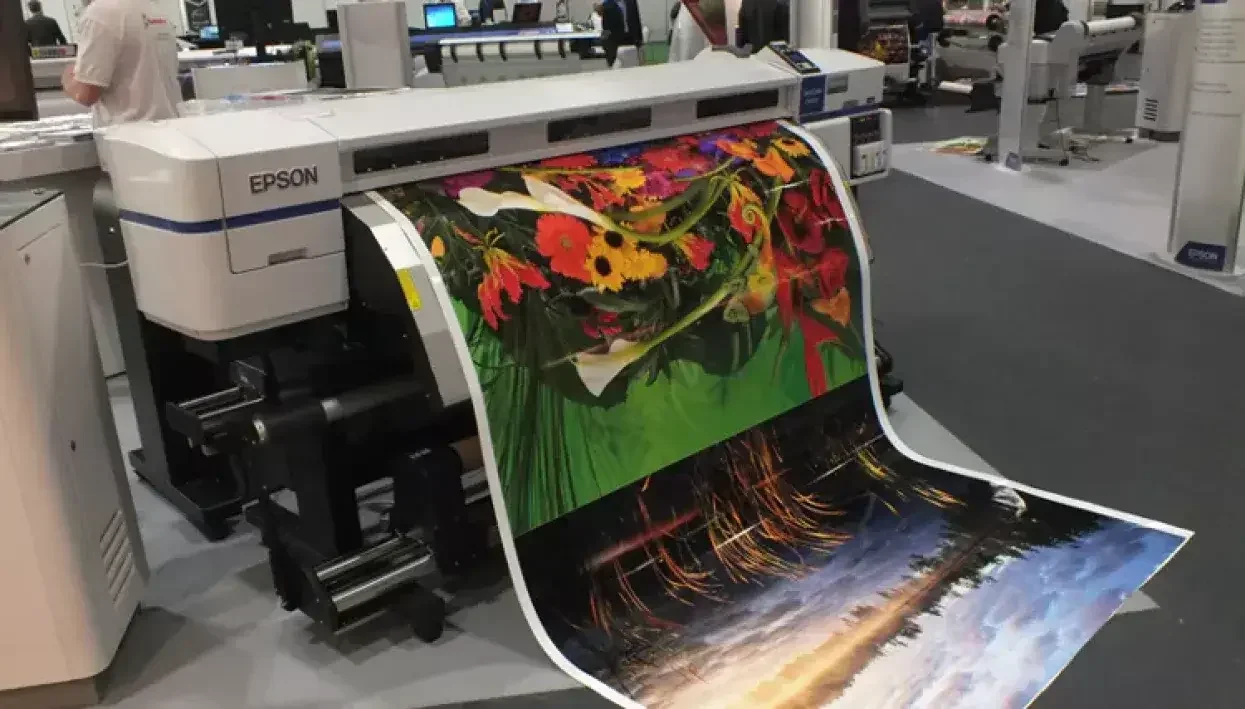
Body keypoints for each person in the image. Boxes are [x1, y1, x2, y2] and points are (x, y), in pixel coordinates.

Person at [60, 0, 182, 126]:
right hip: (171, 126)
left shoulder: (100, 13)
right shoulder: (154, 10)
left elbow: (86, 94)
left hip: (129, 131)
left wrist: (67, 78)